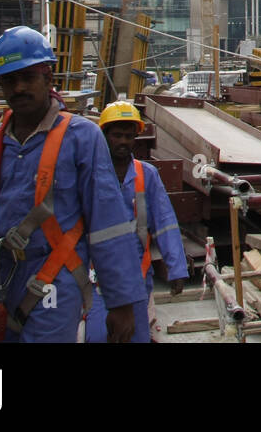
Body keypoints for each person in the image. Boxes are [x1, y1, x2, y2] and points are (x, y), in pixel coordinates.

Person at [0, 26, 146, 342]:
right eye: (9, 80)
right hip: (1, 278)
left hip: (56, 278)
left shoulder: (81, 138)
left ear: (48, 79)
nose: (18, 88)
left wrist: (121, 303)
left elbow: (109, 225)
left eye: (28, 78)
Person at [84, 101, 188, 343]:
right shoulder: (90, 174)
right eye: (117, 135)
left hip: (137, 276)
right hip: (96, 275)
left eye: (129, 136)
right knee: (99, 336)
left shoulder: (147, 175)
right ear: (104, 136)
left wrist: (176, 269)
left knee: (137, 336)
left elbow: (165, 222)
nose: (123, 142)